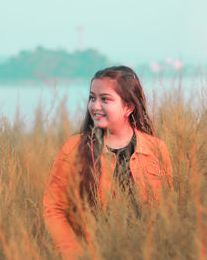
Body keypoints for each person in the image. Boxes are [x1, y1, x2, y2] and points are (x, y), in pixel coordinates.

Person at [43, 66, 173, 260]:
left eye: (105, 99)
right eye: (92, 97)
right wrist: (73, 253)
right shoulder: (73, 149)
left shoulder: (156, 149)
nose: (95, 106)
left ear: (128, 107)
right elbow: (53, 208)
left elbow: (167, 209)